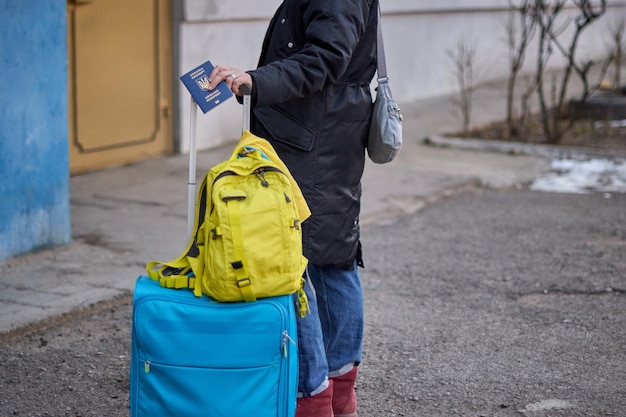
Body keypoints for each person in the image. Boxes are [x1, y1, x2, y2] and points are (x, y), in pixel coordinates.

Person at [208, 1, 378, 416]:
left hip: (312, 143)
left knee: (291, 264)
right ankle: (337, 394)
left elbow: (325, 58)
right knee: (331, 259)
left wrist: (255, 81)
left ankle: (313, 397)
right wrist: (252, 80)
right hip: (325, 134)